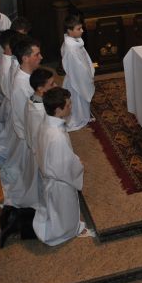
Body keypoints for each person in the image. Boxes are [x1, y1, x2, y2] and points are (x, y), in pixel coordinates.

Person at [32, 87, 94, 246]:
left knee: (56, 208)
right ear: (58, 110)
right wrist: (77, 165)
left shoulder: (47, 121)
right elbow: (62, 167)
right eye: (68, 105)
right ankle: (65, 232)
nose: (71, 106)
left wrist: (72, 159)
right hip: (60, 181)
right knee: (64, 208)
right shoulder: (57, 136)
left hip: (50, 174)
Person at [0, 37, 43, 247]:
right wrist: (38, 139)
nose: (41, 57)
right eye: (36, 54)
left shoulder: (28, 78)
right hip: (29, 137)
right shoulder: (20, 85)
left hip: (32, 134)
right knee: (30, 175)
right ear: (25, 58)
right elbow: (23, 116)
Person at [60, 14, 95, 131]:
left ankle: (83, 114)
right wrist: (87, 78)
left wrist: (90, 70)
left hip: (79, 76)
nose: (82, 31)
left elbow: (84, 58)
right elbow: (77, 69)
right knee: (77, 99)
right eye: (79, 29)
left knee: (81, 101)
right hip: (76, 80)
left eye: (81, 28)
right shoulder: (71, 49)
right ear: (69, 30)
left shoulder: (74, 41)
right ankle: (78, 117)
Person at [0, 29, 19, 159]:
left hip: (10, 101)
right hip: (13, 102)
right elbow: (12, 88)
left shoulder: (6, 57)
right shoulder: (10, 64)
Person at [24, 67, 56, 166]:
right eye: (51, 84)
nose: (55, 86)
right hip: (42, 149)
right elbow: (41, 135)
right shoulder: (40, 111)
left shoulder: (33, 98)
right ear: (40, 88)